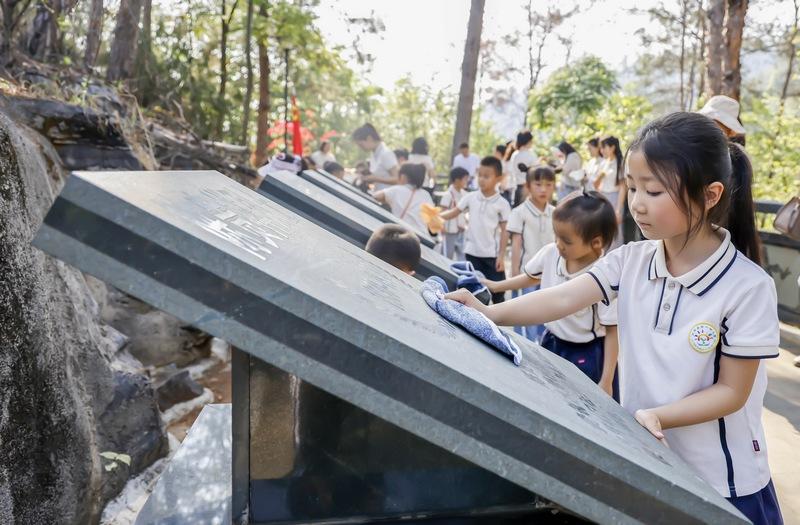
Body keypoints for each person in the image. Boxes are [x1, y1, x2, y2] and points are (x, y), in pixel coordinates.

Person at [446, 112, 782, 525]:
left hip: (721, 486)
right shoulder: (632, 260)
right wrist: (486, 313)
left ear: (710, 195)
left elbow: (733, 392)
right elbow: (562, 297)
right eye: (633, 186)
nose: (636, 203)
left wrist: (661, 415)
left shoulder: (747, 287)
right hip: (649, 463)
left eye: (654, 191)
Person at [483, 191, 619, 397]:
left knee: (581, 403)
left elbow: (612, 331)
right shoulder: (552, 253)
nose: (558, 243)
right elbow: (530, 277)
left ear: (596, 243)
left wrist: (606, 380)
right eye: (556, 235)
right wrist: (496, 286)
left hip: (586, 353)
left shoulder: (604, 277)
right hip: (551, 340)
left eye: (566, 240)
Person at [439, 156, 511, 304]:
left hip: (492, 255)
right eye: (480, 175)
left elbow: (505, 231)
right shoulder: (470, 197)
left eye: (487, 176)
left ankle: (498, 319)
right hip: (471, 253)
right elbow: (453, 212)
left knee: (498, 292)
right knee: (474, 291)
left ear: (498, 178)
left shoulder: (502, 204)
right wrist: (436, 216)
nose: (482, 179)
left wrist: (501, 256)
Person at [505, 165, 556, 342]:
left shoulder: (555, 213)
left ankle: (542, 347)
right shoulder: (519, 212)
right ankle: (522, 346)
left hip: (549, 273)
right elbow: (516, 243)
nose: (543, 189)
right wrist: (514, 271)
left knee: (546, 315)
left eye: (549, 184)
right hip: (527, 272)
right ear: (528, 186)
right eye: (538, 184)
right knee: (525, 315)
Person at [374, 163, 433, 237]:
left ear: (403, 177)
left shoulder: (397, 190)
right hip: (422, 236)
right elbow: (431, 218)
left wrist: (387, 201)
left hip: (403, 234)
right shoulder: (426, 195)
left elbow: (376, 196)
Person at [594, 136, 627, 249]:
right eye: (601, 148)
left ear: (612, 147)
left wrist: (618, 209)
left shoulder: (620, 163)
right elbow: (596, 185)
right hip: (602, 198)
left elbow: (623, 187)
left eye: (604, 147)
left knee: (615, 231)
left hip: (615, 198)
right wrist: (600, 176)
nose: (601, 150)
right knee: (602, 230)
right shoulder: (603, 163)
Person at [352, 123, 399, 190]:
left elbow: (397, 179)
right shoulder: (374, 154)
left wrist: (376, 179)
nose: (361, 148)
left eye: (361, 145)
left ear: (369, 138)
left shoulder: (386, 154)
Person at [439, 167, 470, 261]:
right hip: (449, 231)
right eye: (465, 179)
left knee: (462, 256)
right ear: (457, 180)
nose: (466, 181)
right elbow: (442, 212)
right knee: (447, 255)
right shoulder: (448, 195)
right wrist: (442, 227)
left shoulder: (465, 194)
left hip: (461, 230)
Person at [509, 131, 536, 207]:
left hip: (517, 188)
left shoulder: (515, 154)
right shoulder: (531, 154)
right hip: (527, 188)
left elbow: (512, 171)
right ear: (528, 141)